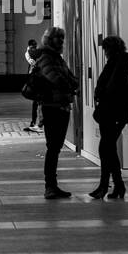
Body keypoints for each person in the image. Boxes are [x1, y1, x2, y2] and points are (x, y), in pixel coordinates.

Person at [32, 26, 79, 199]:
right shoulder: (46, 57)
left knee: (55, 147)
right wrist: (70, 84)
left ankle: (52, 185)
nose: (61, 42)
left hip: (62, 105)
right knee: (53, 147)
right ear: (50, 40)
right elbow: (57, 79)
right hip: (52, 107)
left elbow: (70, 77)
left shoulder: (56, 58)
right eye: (58, 38)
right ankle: (50, 186)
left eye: (62, 38)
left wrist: (71, 82)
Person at [90, 35, 128, 199]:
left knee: (105, 148)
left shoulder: (121, 60)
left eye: (106, 49)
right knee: (109, 149)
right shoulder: (114, 62)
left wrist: (102, 95)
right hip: (110, 113)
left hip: (114, 113)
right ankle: (118, 186)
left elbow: (112, 85)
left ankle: (105, 186)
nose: (105, 52)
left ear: (110, 49)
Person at [23, 38, 41, 132]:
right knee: (35, 102)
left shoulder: (37, 52)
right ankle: (34, 122)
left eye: (35, 47)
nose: (34, 48)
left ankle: (37, 123)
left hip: (38, 77)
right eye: (32, 47)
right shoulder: (28, 53)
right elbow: (32, 62)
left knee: (38, 102)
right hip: (34, 77)